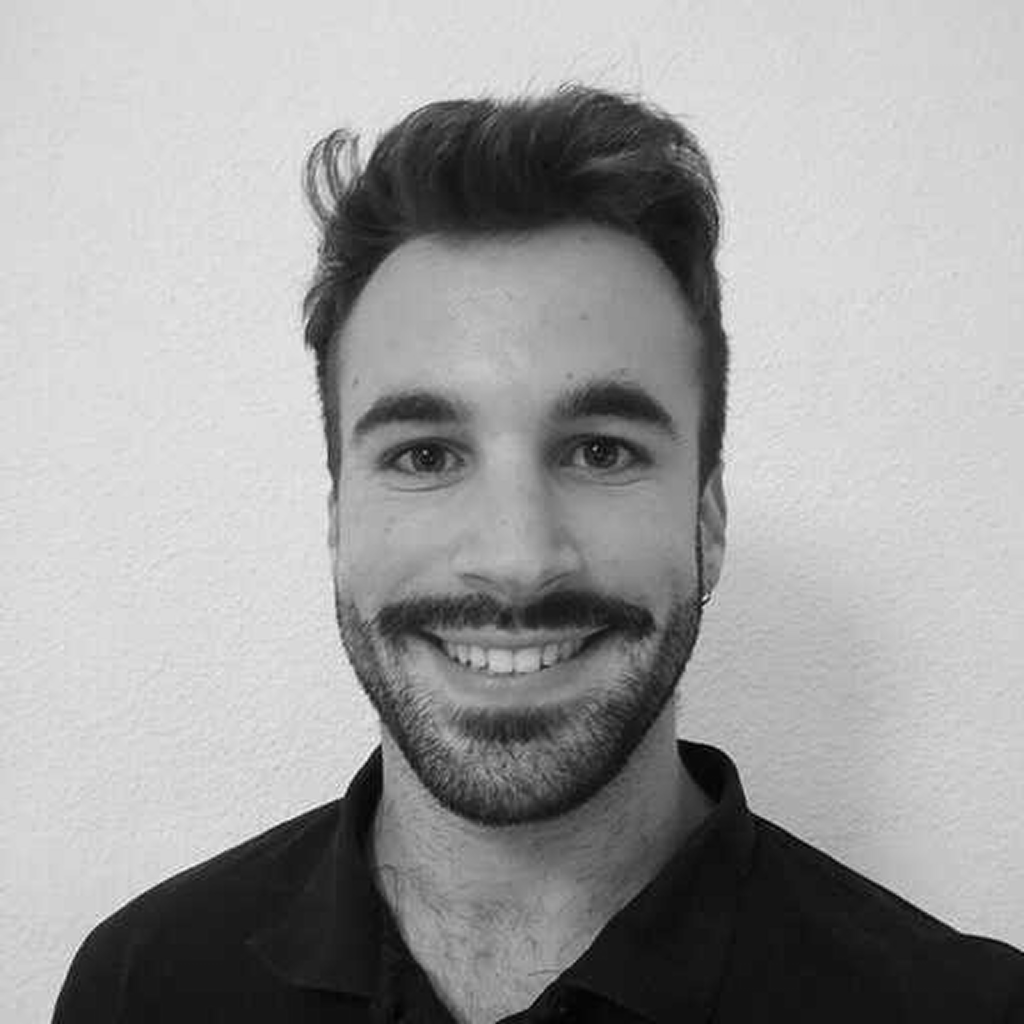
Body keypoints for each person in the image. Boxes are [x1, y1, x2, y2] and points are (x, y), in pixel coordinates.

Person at [53, 84, 1023, 1024]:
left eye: (601, 450)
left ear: (708, 518)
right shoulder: (142, 987)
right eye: (426, 455)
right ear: (339, 518)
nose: (518, 560)